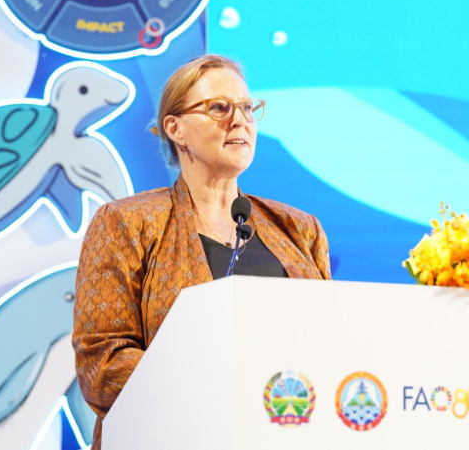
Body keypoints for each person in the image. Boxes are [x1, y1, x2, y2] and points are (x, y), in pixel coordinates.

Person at [72, 54, 331, 449]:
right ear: (175, 128)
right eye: (219, 108)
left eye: (247, 108)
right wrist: (222, 380)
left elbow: (331, 343)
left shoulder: (299, 229)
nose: (240, 120)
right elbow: (101, 364)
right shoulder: (127, 223)